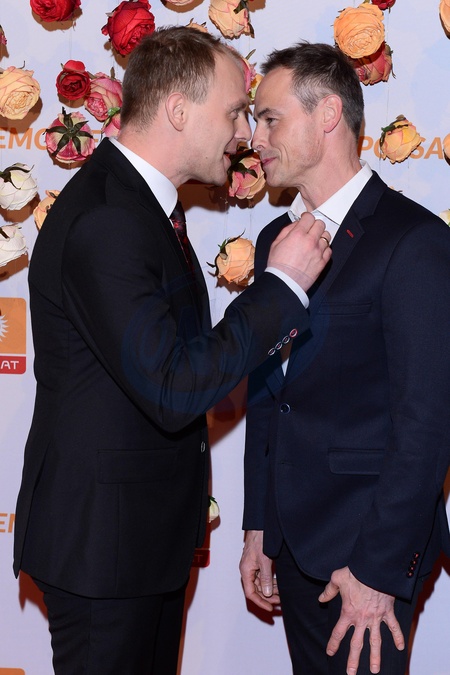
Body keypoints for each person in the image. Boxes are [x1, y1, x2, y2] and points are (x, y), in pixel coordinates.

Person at [13, 27, 331, 675]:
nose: (244, 134)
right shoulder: (109, 217)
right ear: (179, 111)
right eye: (234, 112)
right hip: (104, 553)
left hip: (136, 544)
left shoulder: (141, 207)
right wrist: (280, 287)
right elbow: (173, 387)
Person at [240, 41, 450, 675]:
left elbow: (427, 423)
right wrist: (259, 524)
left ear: (328, 114)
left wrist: (378, 570)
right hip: (292, 544)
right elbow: (269, 391)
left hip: (366, 553)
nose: (255, 138)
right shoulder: (275, 240)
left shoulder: (413, 241)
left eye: (270, 118)